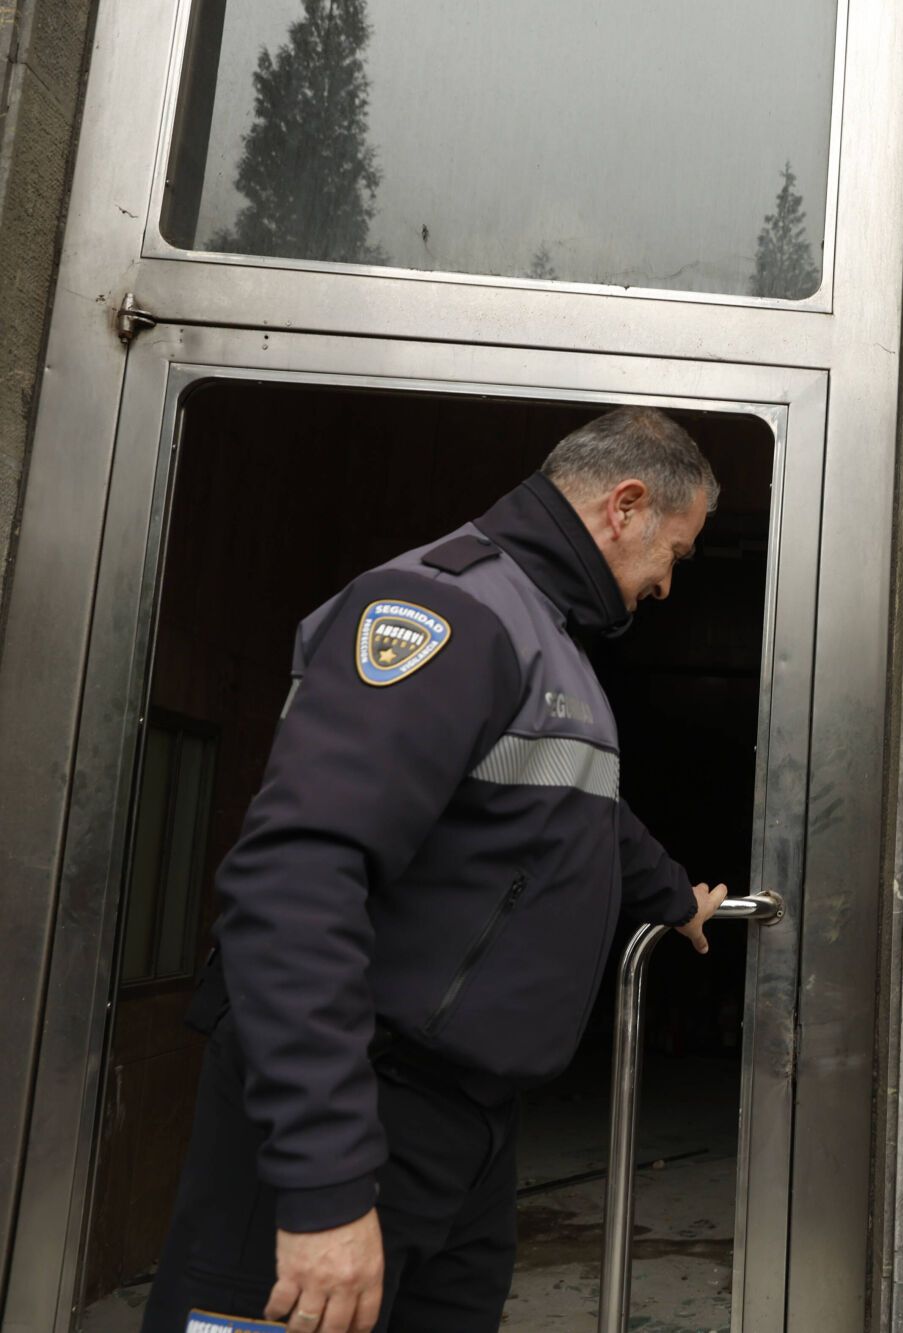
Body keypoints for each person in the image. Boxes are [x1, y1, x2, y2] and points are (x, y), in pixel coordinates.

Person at [142, 407, 731, 1333]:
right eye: (678, 551)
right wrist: (325, 1177)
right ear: (625, 504)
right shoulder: (445, 612)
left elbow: (582, 813)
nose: (666, 583)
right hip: (361, 1098)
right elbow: (296, 879)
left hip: (462, 1124)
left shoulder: (547, 637)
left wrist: (674, 899)